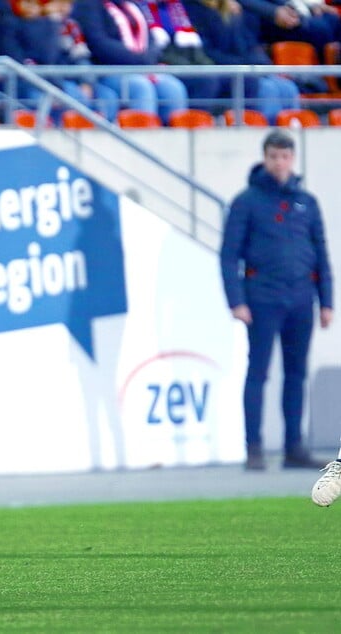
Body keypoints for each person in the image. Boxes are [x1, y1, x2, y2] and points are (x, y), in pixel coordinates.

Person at [220, 130, 332, 471]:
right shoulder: (247, 201)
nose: (279, 163)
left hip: (301, 299)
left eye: (284, 157)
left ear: (292, 159)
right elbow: (229, 255)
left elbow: (321, 253)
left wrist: (327, 301)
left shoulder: (307, 202)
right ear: (264, 159)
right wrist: (236, 300)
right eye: (273, 157)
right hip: (262, 298)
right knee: (258, 372)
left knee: (296, 373)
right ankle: (253, 448)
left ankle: (294, 448)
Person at [71, 0, 189, 123]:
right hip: (107, 70)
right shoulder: (88, 5)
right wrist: (138, 60)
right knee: (140, 87)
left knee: (173, 87)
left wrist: (147, 58)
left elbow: (151, 39)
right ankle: (141, 136)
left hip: (142, 67)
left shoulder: (132, 4)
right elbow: (98, 44)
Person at [182, 0, 300, 123]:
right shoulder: (192, 9)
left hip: (242, 67)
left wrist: (265, 67)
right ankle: (266, 135)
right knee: (267, 88)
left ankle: (289, 135)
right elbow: (207, 53)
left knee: (287, 87)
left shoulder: (233, 12)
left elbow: (247, 46)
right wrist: (244, 66)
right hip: (219, 68)